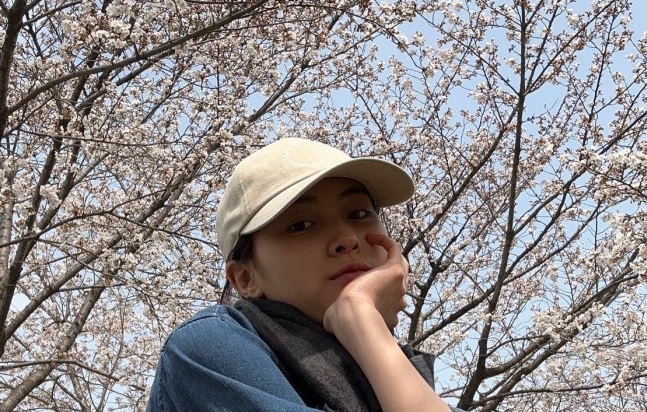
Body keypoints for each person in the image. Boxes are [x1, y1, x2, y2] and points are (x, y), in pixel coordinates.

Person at [146, 137, 464, 411]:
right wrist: (362, 317)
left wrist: (368, 333)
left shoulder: (402, 379)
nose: (347, 238)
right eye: (300, 225)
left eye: (358, 213)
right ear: (245, 278)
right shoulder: (210, 348)